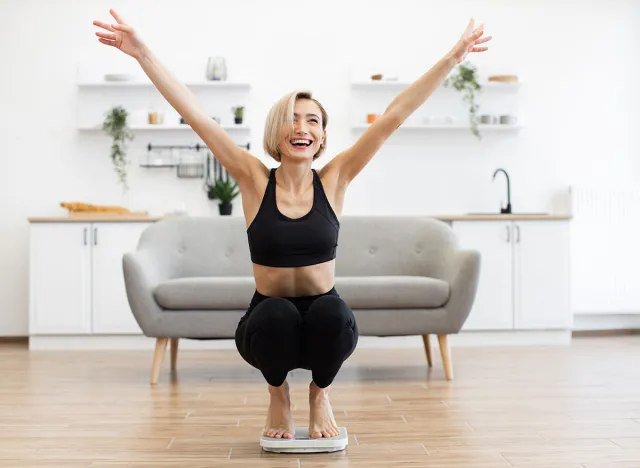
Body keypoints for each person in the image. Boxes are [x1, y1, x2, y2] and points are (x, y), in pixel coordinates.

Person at [93, 8, 491, 440]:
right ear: (276, 131)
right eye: (292, 119)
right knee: (279, 313)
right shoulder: (252, 178)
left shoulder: (336, 178)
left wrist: (453, 58)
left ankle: (320, 394)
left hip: (325, 316)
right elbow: (200, 119)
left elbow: (393, 116)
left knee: (334, 313)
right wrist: (142, 54)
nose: (302, 127)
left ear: (321, 137)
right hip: (267, 320)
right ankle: (278, 394)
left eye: (313, 120)